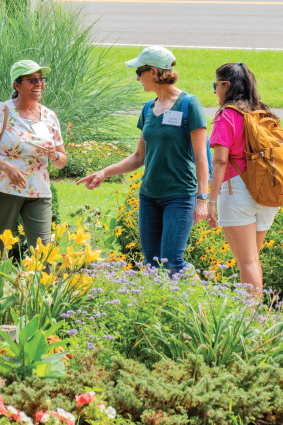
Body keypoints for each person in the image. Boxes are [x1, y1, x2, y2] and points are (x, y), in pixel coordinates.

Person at [77, 46, 209, 274]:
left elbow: (201, 157)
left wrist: (202, 199)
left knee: (172, 263)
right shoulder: (149, 108)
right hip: (149, 196)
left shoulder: (189, 105)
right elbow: (139, 156)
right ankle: (159, 308)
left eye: (140, 72)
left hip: (179, 195)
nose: (137, 78)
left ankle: (198, 301)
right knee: (151, 265)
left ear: (155, 72)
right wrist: (104, 173)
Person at [0, 59, 67, 261]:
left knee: (43, 251)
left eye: (41, 79)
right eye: (32, 80)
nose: (39, 84)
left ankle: (42, 291)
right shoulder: (2, 111)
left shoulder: (49, 116)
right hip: (5, 189)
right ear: (16, 85)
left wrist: (54, 155)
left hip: (39, 191)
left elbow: (62, 161)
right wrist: (7, 168)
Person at [207, 62, 280, 299]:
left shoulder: (227, 116)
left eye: (215, 85)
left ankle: (250, 323)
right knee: (252, 259)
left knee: (246, 261)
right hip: (268, 189)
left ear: (226, 85)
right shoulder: (263, 113)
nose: (215, 91)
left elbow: (219, 162)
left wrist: (210, 200)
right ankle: (257, 318)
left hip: (237, 190)